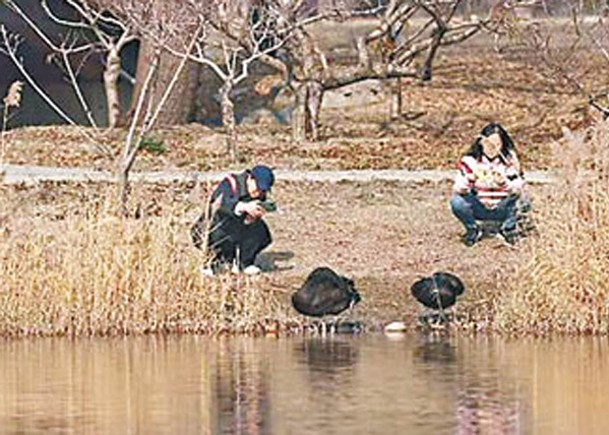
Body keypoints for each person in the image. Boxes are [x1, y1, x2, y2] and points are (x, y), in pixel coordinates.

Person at [450, 123, 526, 246]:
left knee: (523, 200)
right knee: (457, 201)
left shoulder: (509, 161)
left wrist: (504, 183)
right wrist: (470, 179)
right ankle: (472, 229)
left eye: (497, 144)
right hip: (479, 206)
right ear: (481, 142)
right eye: (489, 144)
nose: (492, 148)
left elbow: (519, 187)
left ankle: (508, 229)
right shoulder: (470, 161)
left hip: (503, 206)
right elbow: (457, 188)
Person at [191, 165, 275, 276]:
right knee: (216, 230)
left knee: (262, 232)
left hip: (237, 228)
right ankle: (212, 262)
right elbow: (219, 205)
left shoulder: (259, 195)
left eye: (263, 190)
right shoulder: (231, 183)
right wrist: (243, 207)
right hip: (215, 226)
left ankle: (244, 262)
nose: (259, 193)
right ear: (250, 178)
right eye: (258, 188)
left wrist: (252, 217)